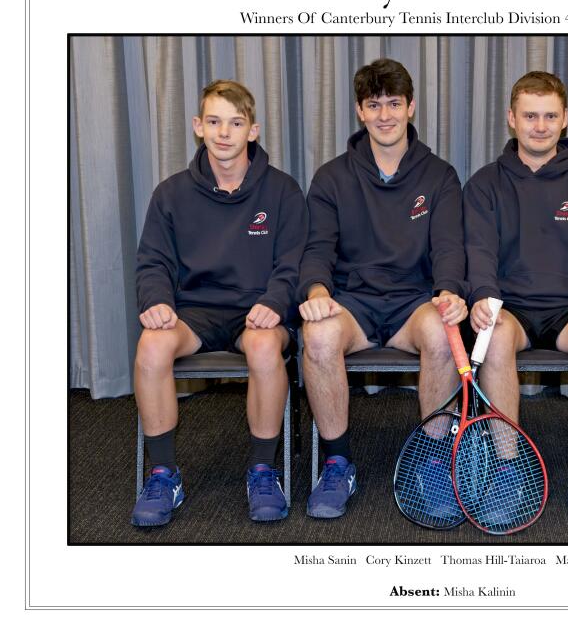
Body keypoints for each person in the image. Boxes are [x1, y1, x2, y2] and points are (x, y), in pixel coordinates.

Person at [132, 80, 308, 526]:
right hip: (195, 312)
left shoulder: (283, 191)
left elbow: (293, 263)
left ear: (253, 130)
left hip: (259, 310)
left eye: (235, 123)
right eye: (214, 122)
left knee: (265, 347)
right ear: (198, 126)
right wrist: (156, 301)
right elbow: (153, 262)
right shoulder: (170, 194)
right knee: (151, 345)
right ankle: (163, 475)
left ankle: (263, 471)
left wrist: (275, 301)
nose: (224, 133)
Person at [298, 58, 467, 520]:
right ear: (360, 111)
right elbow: (317, 248)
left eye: (394, 103)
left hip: (415, 302)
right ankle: (337, 464)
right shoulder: (332, 177)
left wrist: (450, 290)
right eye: (374, 105)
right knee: (318, 336)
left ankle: (436, 462)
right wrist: (316, 292)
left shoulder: (439, 176)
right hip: (354, 302)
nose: (385, 115)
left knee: (442, 333)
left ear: (411, 107)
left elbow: (449, 247)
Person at [464, 71, 568, 528]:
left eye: (550, 116)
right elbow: (478, 250)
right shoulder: (485, 183)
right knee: (494, 335)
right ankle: (507, 469)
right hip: (510, 307)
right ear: (512, 119)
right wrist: (483, 296)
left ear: (565, 118)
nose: (540, 126)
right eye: (530, 116)